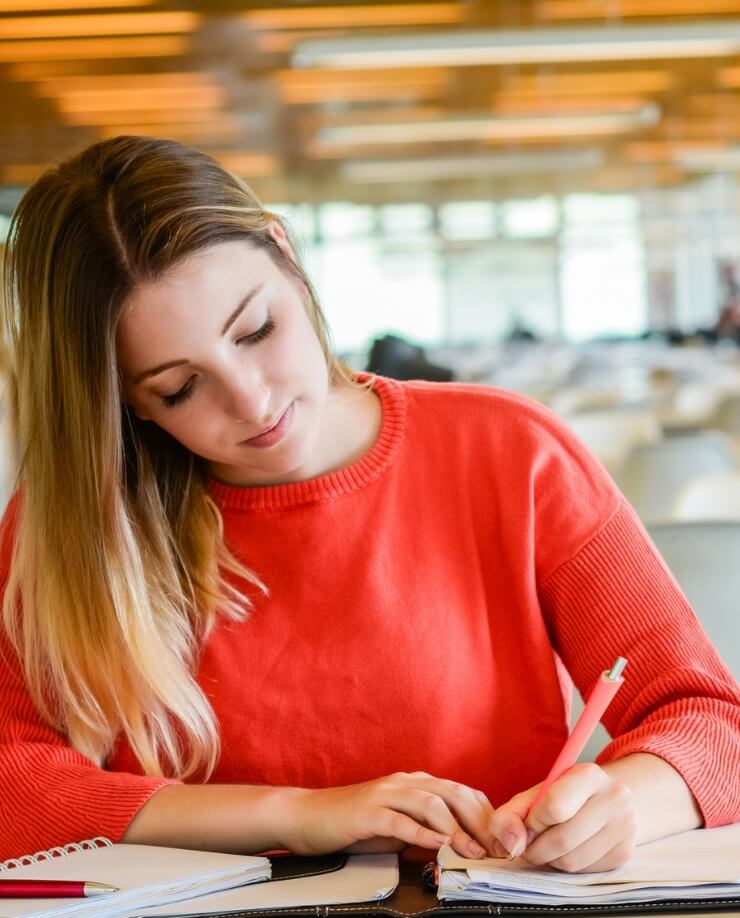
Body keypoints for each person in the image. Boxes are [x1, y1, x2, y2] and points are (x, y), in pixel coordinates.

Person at [1, 136, 739, 871]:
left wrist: (626, 804)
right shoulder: (74, 523)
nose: (252, 400)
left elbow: (713, 725)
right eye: (178, 388)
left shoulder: (512, 452)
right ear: (125, 405)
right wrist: (299, 813)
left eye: (258, 330)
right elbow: (12, 781)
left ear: (287, 256)